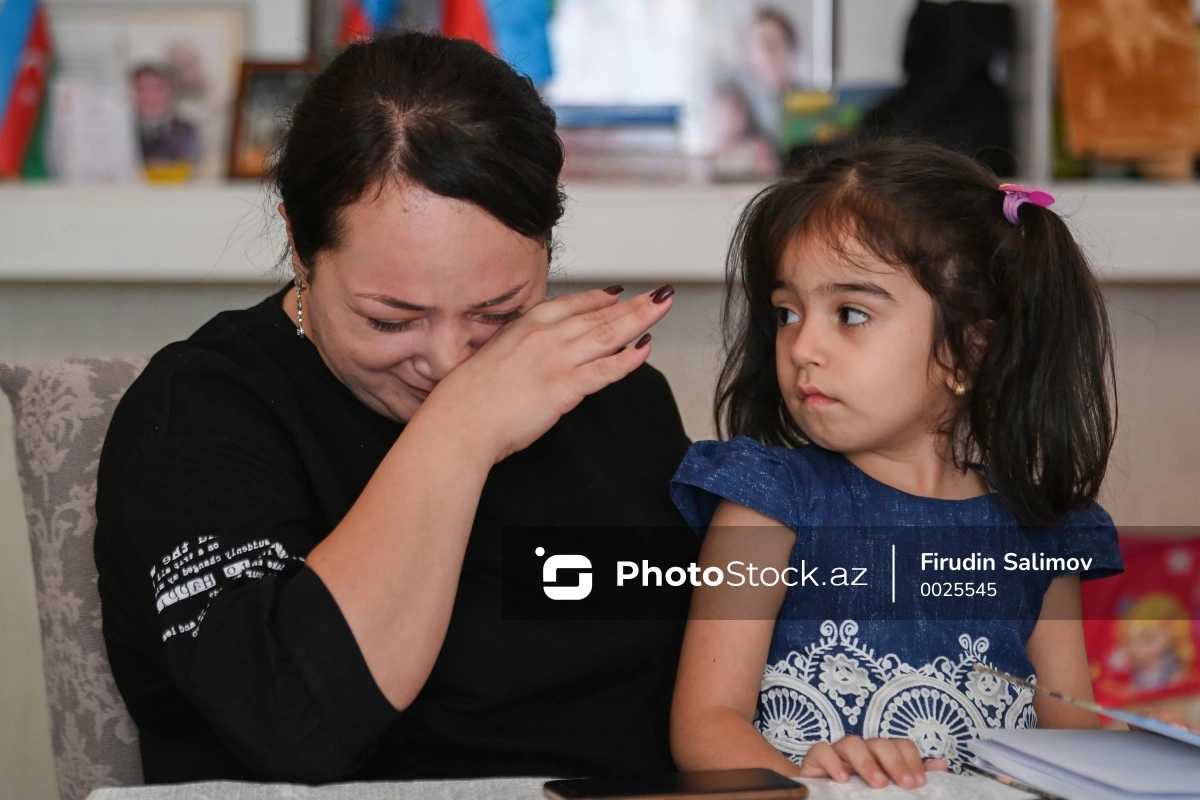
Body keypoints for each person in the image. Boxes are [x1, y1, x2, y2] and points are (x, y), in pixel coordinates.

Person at [95, 31, 695, 784]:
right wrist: (462, 431)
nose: (448, 363)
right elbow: (289, 724)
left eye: (499, 312)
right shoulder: (199, 413)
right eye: (391, 319)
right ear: (298, 243)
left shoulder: (616, 395)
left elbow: (709, 682)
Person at [668, 138, 1127, 787]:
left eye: (850, 313)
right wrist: (808, 782)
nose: (804, 346)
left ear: (971, 351)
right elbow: (706, 726)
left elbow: (1070, 744)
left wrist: (1138, 749)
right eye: (788, 313)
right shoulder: (766, 503)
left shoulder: (1041, 532)